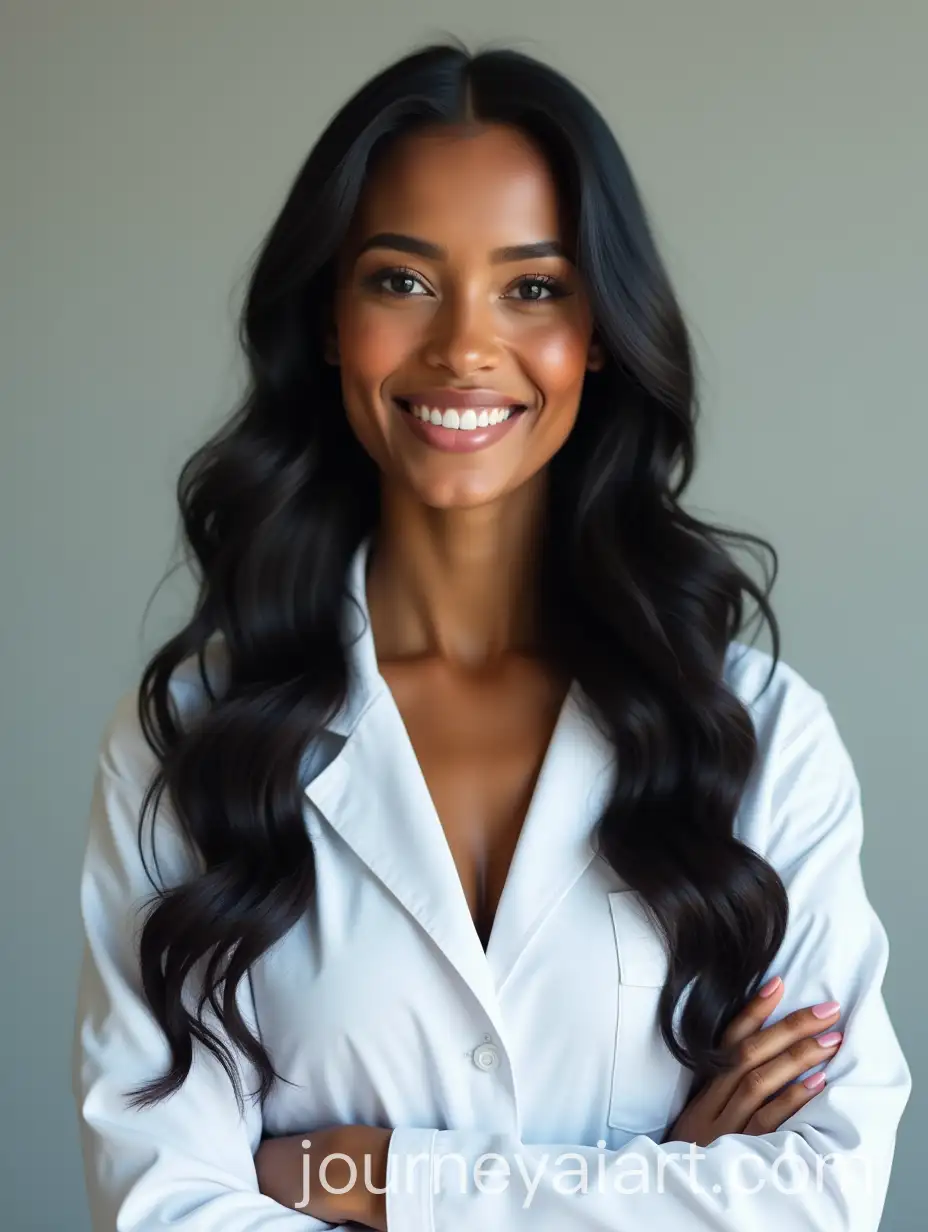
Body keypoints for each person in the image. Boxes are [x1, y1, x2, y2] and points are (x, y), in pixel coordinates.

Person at [71, 41, 910, 1232]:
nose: (463, 346)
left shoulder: (761, 731)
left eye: (532, 286)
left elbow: (818, 1196)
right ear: (326, 319)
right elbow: (165, 1208)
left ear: (602, 330)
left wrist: (371, 1178)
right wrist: (665, 1174)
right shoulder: (188, 745)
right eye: (401, 281)